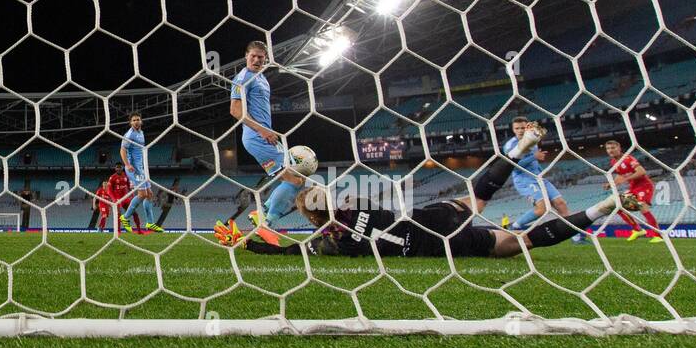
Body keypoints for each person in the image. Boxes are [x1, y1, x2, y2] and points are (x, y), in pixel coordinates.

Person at [218, 127, 621, 260]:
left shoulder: (331, 243)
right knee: (478, 198)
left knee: (522, 242)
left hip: (438, 244)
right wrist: (314, 194)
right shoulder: (354, 204)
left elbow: (292, 251)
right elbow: (328, 202)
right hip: (432, 217)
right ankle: (516, 149)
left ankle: (600, 208)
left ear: (312, 220)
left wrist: (252, 245)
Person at [229, 40, 309, 234]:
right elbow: (235, 110)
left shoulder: (262, 78)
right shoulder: (242, 78)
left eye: (260, 57)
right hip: (257, 137)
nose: (256, 59)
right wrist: (262, 131)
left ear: (266, 59)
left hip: (267, 136)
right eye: (253, 56)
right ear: (246, 56)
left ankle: (262, 213)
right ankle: (267, 224)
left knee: (298, 178)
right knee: (294, 180)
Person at [501, 116, 569, 230]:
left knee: (560, 203)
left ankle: (576, 238)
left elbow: (534, 163)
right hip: (524, 180)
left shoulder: (532, 140)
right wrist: (534, 156)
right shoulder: (510, 146)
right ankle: (515, 227)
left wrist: (540, 171)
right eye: (517, 128)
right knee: (541, 209)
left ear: (527, 128)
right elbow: (512, 166)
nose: (520, 131)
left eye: (523, 128)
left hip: (539, 178)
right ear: (513, 130)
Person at [603, 139, 663, 241]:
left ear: (619, 148)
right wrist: (611, 184)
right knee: (618, 207)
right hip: (633, 188)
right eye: (608, 148)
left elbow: (641, 171)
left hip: (644, 186)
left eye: (613, 148)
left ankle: (658, 236)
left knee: (642, 206)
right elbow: (620, 175)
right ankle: (638, 230)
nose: (610, 150)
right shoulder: (613, 162)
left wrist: (625, 179)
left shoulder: (628, 159)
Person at [119, 113, 162, 232]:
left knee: (149, 194)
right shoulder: (129, 134)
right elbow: (122, 150)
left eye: (138, 119)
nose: (136, 122)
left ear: (141, 121)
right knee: (142, 194)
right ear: (130, 123)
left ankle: (150, 223)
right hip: (133, 169)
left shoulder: (141, 133)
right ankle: (125, 217)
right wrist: (127, 164)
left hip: (141, 168)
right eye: (134, 120)